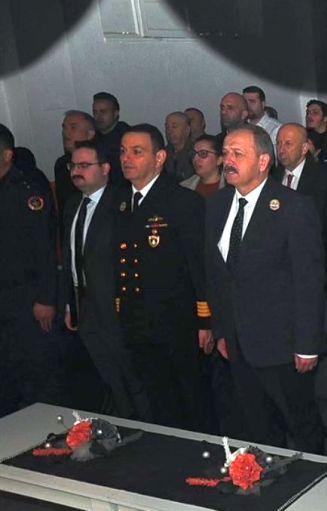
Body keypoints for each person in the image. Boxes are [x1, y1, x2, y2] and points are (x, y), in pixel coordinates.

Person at [205, 124, 326, 453]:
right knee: (257, 428)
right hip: (238, 342)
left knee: (300, 426)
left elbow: (308, 280)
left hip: (283, 345)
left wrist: (307, 344)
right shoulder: (217, 206)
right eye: (226, 153)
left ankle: (317, 480)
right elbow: (216, 276)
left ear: (263, 161)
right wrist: (221, 330)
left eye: (238, 154)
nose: (229, 161)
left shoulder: (293, 206)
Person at [114, 124, 211, 430]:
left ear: (159, 158)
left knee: (190, 400)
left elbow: (199, 266)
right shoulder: (121, 202)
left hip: (176, 320)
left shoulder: (182, 202)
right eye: (123, 152)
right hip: (137, 319)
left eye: (137, 152)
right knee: (155, 399)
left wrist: (205, 320)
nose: (126, 158)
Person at [60, 140, 151, 420]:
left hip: (116, 306)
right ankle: (123, 425)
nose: (76, 171)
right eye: (73, 165)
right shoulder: (73, 205)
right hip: (84, 305)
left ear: (105, 168)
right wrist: (69, 303)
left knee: (133, 375)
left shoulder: (121, 204)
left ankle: (150, 427)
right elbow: (71, 257)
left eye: (84, 165)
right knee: (108, 375)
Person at [0, 124, 62, 415]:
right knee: (9, 370)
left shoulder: (27, 191)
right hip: (4, 294)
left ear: (7, 155)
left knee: (37, 368)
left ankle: (48, 425)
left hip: (27, 293)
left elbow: (45, 247)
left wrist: (46, 298)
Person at [272, 123, 327, 231]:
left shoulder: (322, 177)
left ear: (304, 148)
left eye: (288, 144)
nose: (281, 150)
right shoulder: (272, 177)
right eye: (278, 143)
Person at [55, 110, 99, 210]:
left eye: (73, 127)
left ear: (90, 134)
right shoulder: (61, 164)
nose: (66, 132)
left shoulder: (101, 161)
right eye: (64, 128)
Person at [92, 92, 131, 168]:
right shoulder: (91, 135)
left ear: (115, 113)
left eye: (103, 112)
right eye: (95, 112)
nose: (98, 116)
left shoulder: (127, 136)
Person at [163, 111, 195, 182]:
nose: (170, 131)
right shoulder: (163, 154)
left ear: (187, 130)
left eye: (174, 127)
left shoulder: (196, 152)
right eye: (167, 127)